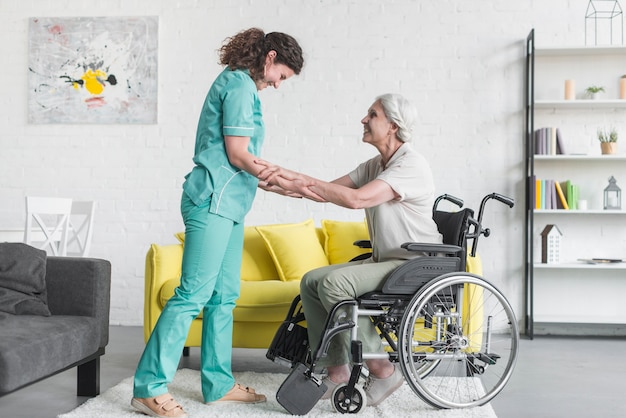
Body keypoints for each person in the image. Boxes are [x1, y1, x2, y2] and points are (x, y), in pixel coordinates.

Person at [131, 28, 304, 418]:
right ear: (271, 58)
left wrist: (283, 183)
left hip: (231, 206)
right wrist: (289, 179)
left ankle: (217, 383)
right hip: (211, 200)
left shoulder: (242, 85)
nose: (278, 85)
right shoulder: (240, 85)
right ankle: (148, 387)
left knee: (223, 296)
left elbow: (242, 160)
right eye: (283, 76)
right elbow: (239, 153)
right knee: (192, 294)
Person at [256, 93, 443, 407]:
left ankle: (383, 369)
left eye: (372, 114)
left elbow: (356, 199)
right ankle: (337, 370)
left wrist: (297, 178)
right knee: (312, 281)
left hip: (413, 263)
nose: (363, 119)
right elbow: (325, 191)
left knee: (334, 283)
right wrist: (277, 182)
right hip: (389, 261)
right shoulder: (376, 165)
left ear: (393, 126)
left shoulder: (411, 165)